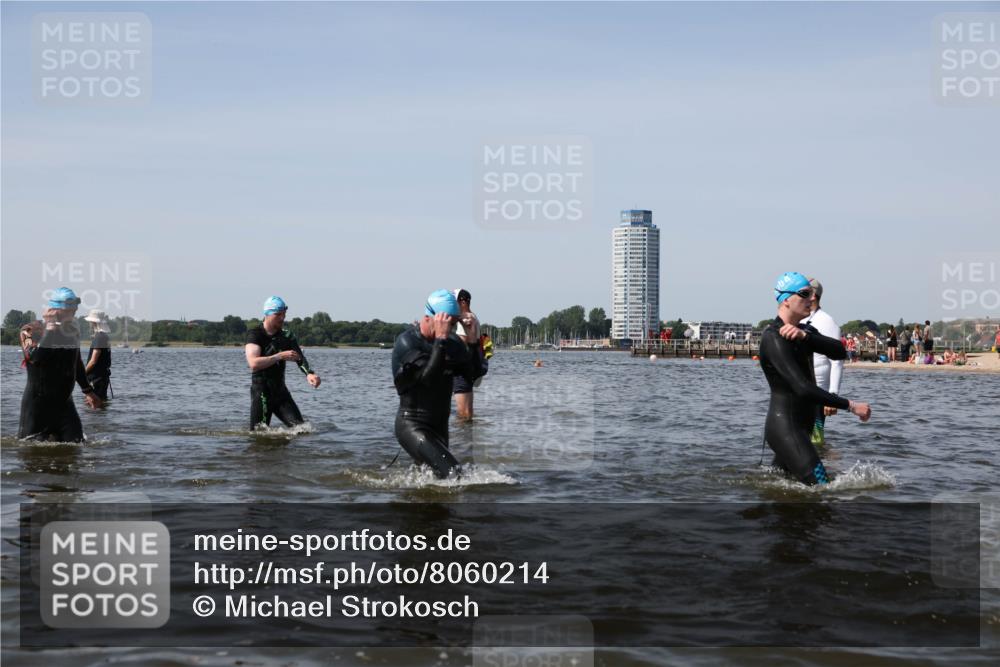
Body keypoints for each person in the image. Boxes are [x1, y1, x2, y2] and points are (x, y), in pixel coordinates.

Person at [759, 273, 871, 486]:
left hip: (801, 427)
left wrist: (806, 337)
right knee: (822, 488)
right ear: (785, 300)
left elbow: (839, 351)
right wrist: (850, 405)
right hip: (786, 428)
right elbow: (802, 387)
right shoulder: (773, 338)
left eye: (812, 294)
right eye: (804, 294)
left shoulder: (803, 332)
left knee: (780, 488)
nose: (812, 299)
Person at [391, 289, 474, 477]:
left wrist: (473, 340)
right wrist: (441, 341)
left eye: (454, 324)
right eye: (448, 323)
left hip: (440, 426)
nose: (452, 329)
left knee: (434, 481)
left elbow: (472, 377)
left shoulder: (451, 343)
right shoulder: (408, 343)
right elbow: (427, 379)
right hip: (412, 425)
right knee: (455, 474)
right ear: (432, 318)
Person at [18, 287, 102, 442]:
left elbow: (75, 363)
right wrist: (50, 329)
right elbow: (34, 357)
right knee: (31, 455)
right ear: (54, 310)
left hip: (64, 405)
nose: (74, 313)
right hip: (37, 407)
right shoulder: (30, 330)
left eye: (75, 310)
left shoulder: (72, 331)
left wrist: (88, 391)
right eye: (70, 311)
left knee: (77, 446)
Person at [244, 296, 321, 430]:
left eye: (284, 314)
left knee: (302, 430)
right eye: (278, 314)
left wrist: (309, 374)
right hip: (261, 393)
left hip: (281, 393)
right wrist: (279, 356)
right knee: (258, 435)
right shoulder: (255, 334)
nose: (282, 318)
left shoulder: (287, 336)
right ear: (267, 314)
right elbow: (253, 363)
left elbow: (299, 358)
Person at [801, 278, 844, 446]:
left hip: (818, 394)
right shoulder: (800, 319)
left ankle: (822, 467)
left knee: (815, 442)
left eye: (802, 293)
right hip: (799, 391)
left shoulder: (827, 322)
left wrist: (832, 396)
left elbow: (837, 362)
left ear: (813, 295)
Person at [452, 288, 485, 420]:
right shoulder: (473, 316)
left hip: (462, 368)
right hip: (470, 366)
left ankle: (462, 437)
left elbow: (462, 344)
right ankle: (467, 438)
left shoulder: (465, 319)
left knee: (463, 413)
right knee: (467, 411)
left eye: (454, 302)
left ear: (463, 302)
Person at [84, 309, 112, 401]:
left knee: (92, 407)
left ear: (93, 322)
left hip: (96, 379)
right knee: (101, 406)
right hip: (102, 377)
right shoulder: (104, 336)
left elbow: (93, 361)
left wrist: (82, 374)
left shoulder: (99, 337)